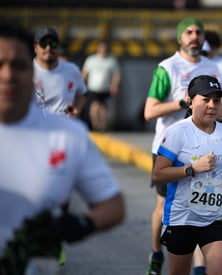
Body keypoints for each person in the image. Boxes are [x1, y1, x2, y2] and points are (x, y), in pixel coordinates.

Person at [0, 21, 125, 273]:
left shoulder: (70, 135)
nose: (8, 75)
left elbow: (113, 206)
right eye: (0, 65)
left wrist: (79, 224)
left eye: (18, 66)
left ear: (31, 73)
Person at [143, 17, 222, 275]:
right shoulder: (167, 67)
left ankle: (200, 268)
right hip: (170, 150)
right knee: (163, 207)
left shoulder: (213, 66)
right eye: (188, 32)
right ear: (180, 37)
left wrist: (216, 110)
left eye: (198, 32)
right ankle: (157, 252)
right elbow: (149, 111)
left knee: (202, 208)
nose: (194, 36)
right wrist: (184, 104)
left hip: (205, 148)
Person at [152, 75, 222, 275]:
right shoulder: (177, 132)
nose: (212, 105)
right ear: (191, 101)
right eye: (205, 99)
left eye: (217, 100)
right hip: (182, 217)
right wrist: (192, 169)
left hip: (217, 216)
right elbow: (158, 175)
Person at [32, 26, 87, 118]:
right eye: (43, 44)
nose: (48, 48)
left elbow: (82, 94)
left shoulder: (72, 70)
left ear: (58, 47)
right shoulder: (26, 71)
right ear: (35, 47)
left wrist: (76, 110)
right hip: (35, 128)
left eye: (53, 44)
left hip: (63, 127)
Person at [81, 41, 121, 131]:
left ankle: (102, 126)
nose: (103, 50)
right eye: (101, 48)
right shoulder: (91, 60)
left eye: (105, 48)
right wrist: (81, 84)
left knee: (103, 107)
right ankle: (95, 125)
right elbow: (85, 73)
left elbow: (116, 75)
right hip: (93, 88)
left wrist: (114, 85)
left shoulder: (111, 61)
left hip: (105, 88)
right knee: (94, 106)